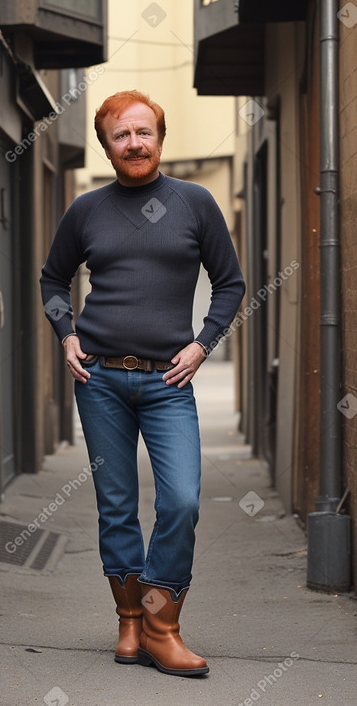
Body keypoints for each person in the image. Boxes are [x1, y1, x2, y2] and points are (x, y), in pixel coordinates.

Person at [40, 90, 245, 677]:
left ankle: (162, 624)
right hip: (99, 378)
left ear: (160, 136)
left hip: (167, 382)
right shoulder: (86, 210)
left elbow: (229, 284)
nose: (134, 144)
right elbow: (53, 279)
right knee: (117, 505)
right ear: (106, 146)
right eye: (120, 136)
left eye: (143, 132)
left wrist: (202, 343)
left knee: (180, 501)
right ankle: (130, 623)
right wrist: (67, 334)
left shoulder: (195, 203)